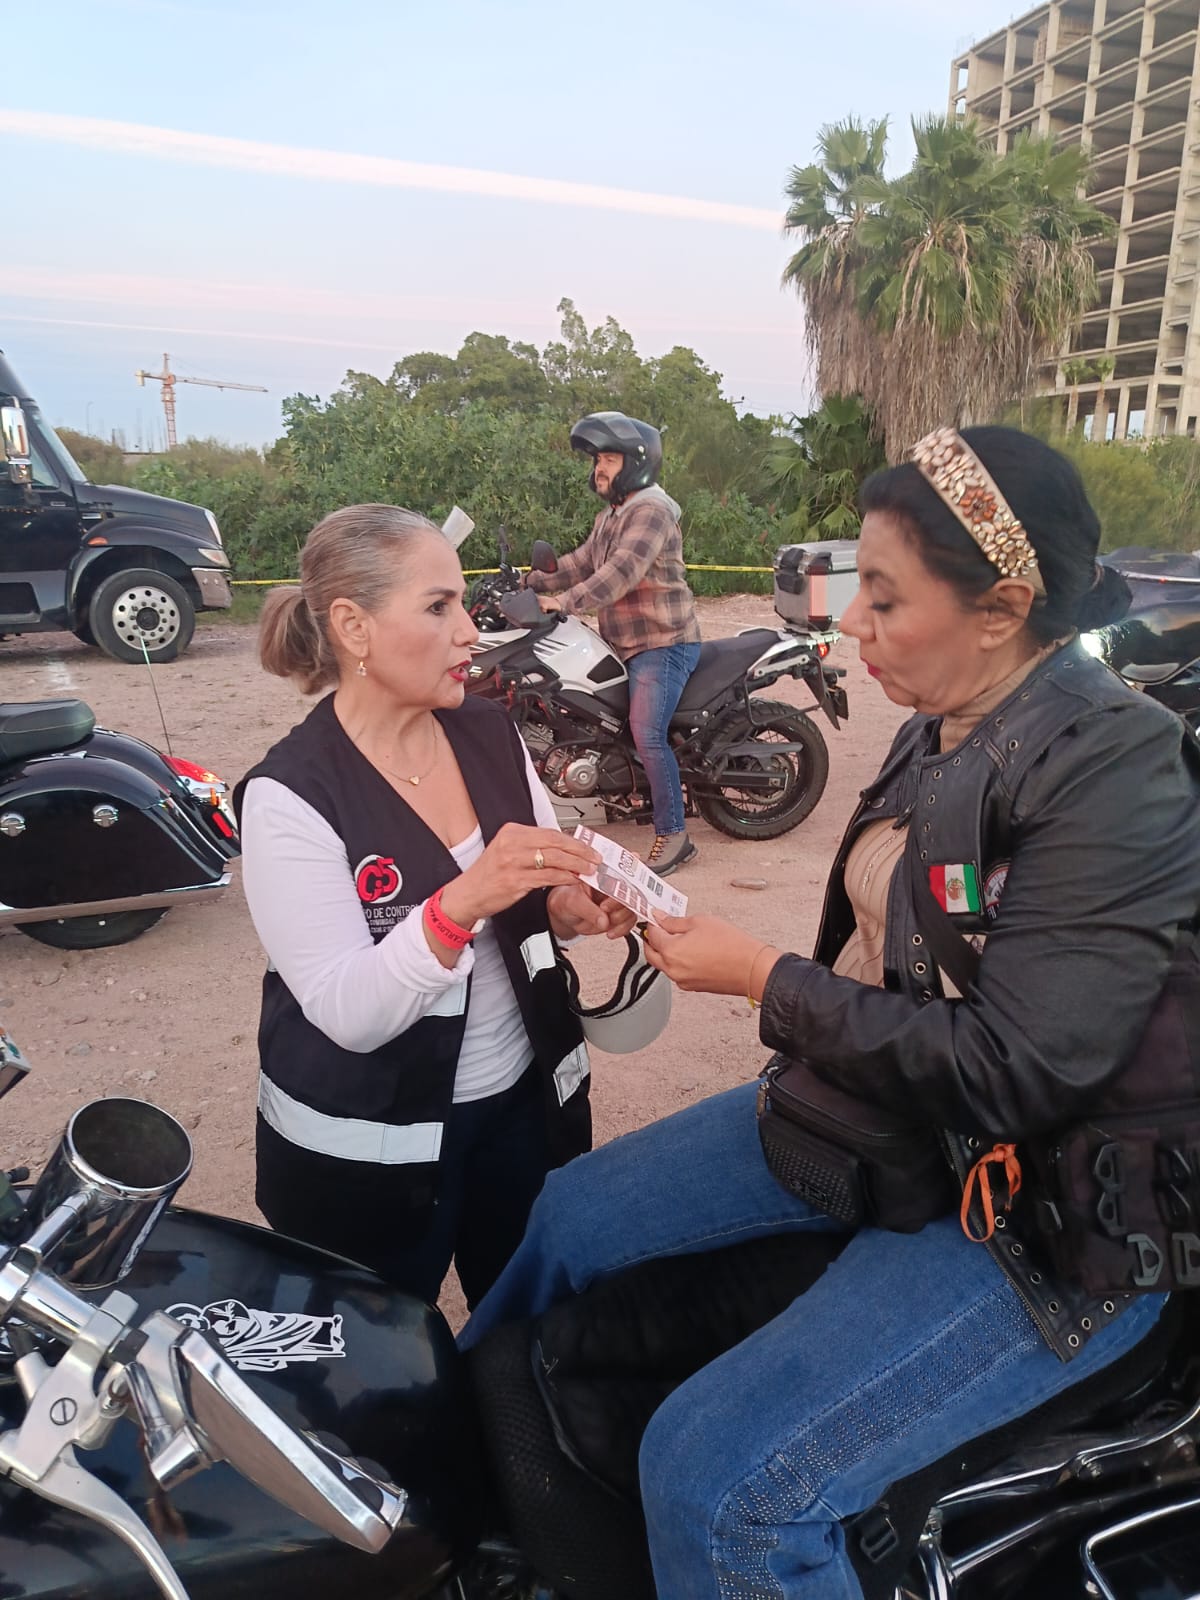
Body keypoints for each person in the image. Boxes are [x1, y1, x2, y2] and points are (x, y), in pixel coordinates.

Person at [461, 427, 1200, 1598]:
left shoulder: (1118, 766)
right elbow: (893, 950)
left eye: (886, 599)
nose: (852, 621)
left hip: (1047, 1219)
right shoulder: (941, 720)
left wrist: (762, 977)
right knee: (570, 1218)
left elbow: (1018, 1070)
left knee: (721, 1485)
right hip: (889, 1118)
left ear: (1003, 609)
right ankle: (460, 1492)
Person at [235, 504, 636, 1308]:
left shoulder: (487, 732)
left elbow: (538, 884)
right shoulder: (289, 796)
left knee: (524, 1325)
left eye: (463, 603)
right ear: (353, 628)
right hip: (365, 1154)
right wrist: (463, 900)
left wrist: (568, 906)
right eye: (438, 607)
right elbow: (349, 1012)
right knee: (378, 1355)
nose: (469, 633)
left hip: (522, 1111)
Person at [524, 411, 702, 876]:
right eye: (597, 459)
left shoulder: (651, 511)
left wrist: (562, 601)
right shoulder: (613, 515)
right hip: (625, 643)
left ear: (636, 463)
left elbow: (620, 572)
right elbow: (582, 562)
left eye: (608, 459)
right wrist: (528, 582)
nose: (599, 468)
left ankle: (674, 834)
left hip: (662, 644)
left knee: (647, 731)